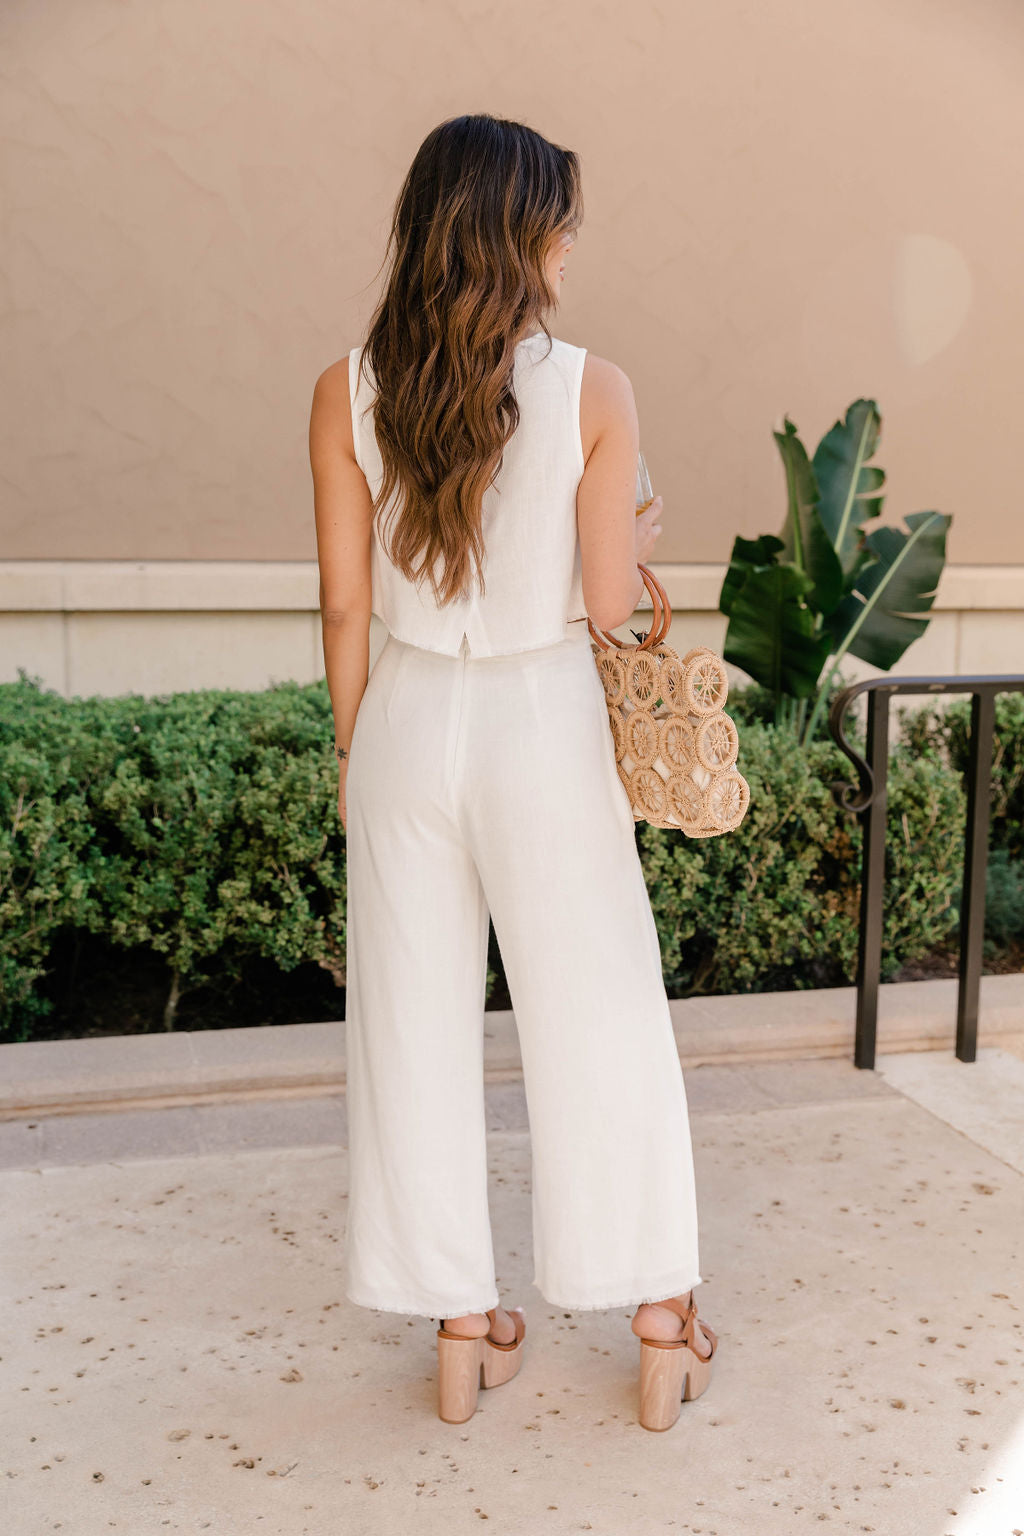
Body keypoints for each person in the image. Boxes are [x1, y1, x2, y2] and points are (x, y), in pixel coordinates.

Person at [308, 112, 716, 1431]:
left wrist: (361, 751)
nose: (569, 243)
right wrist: (639, 528)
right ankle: (659, 1322)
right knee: (599, 1008)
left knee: (412, 1026)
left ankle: (459, 1324)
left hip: (408, 720)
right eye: (560, 219)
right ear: (518, 232)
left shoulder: (344, 389)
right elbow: (606, 611)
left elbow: (342, 608)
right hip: (544, 716)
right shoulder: (594, 389)